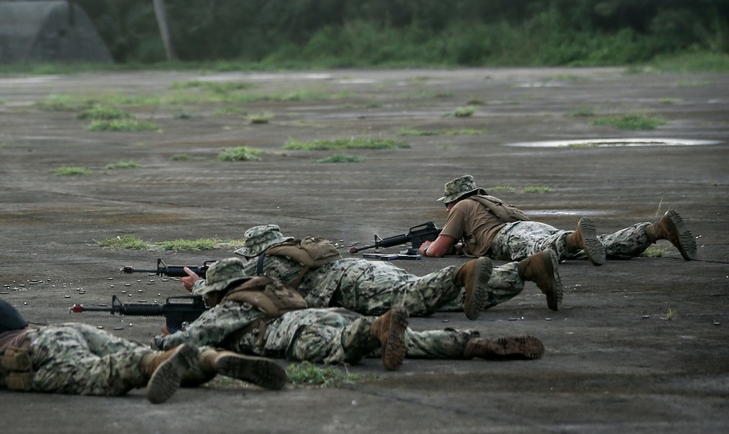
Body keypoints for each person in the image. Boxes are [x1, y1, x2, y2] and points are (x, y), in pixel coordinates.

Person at [0, 263, 287, 404]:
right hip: (61, 333)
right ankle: (213, 359)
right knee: (130, 352)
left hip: (36, 360)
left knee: (106, 374)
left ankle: (156, 365)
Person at [158, 260, 545, 370]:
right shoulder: (271, 290)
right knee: (411, 343)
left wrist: (164, 338)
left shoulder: (229, 307)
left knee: (340, 348)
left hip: (298, 336)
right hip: (329, 315)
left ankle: (376, 328)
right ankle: (472, 345)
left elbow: (186, 342)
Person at [180, 223, 564, 316]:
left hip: (353, 287)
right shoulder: (296, 248)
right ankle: (528, 270)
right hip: (361, 269)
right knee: (441, 299)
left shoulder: (265, 264)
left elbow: (237, 296)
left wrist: (199, 286)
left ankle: (460, 272)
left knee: (416, 301)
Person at [419, 175, 698, 264]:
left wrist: (424, 248)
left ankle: (574, 238)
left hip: (507, 237)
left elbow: (439, 249)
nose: (447, 209)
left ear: (455, 198)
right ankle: (654, 231)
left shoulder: (462, 206)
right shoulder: (486, 201)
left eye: (447, 203)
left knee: (541, 252)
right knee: (591, 247)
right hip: (530, 227)